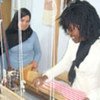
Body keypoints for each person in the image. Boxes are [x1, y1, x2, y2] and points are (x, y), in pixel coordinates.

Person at [33, 0, 100, 100]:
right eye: (68, 29)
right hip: (75, 91)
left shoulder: (97, 47)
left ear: (84, 26)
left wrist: (90, 98)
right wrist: (45, 76)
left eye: (71, 29)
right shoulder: (74, 41)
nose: (69, 33)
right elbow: (65, 63)